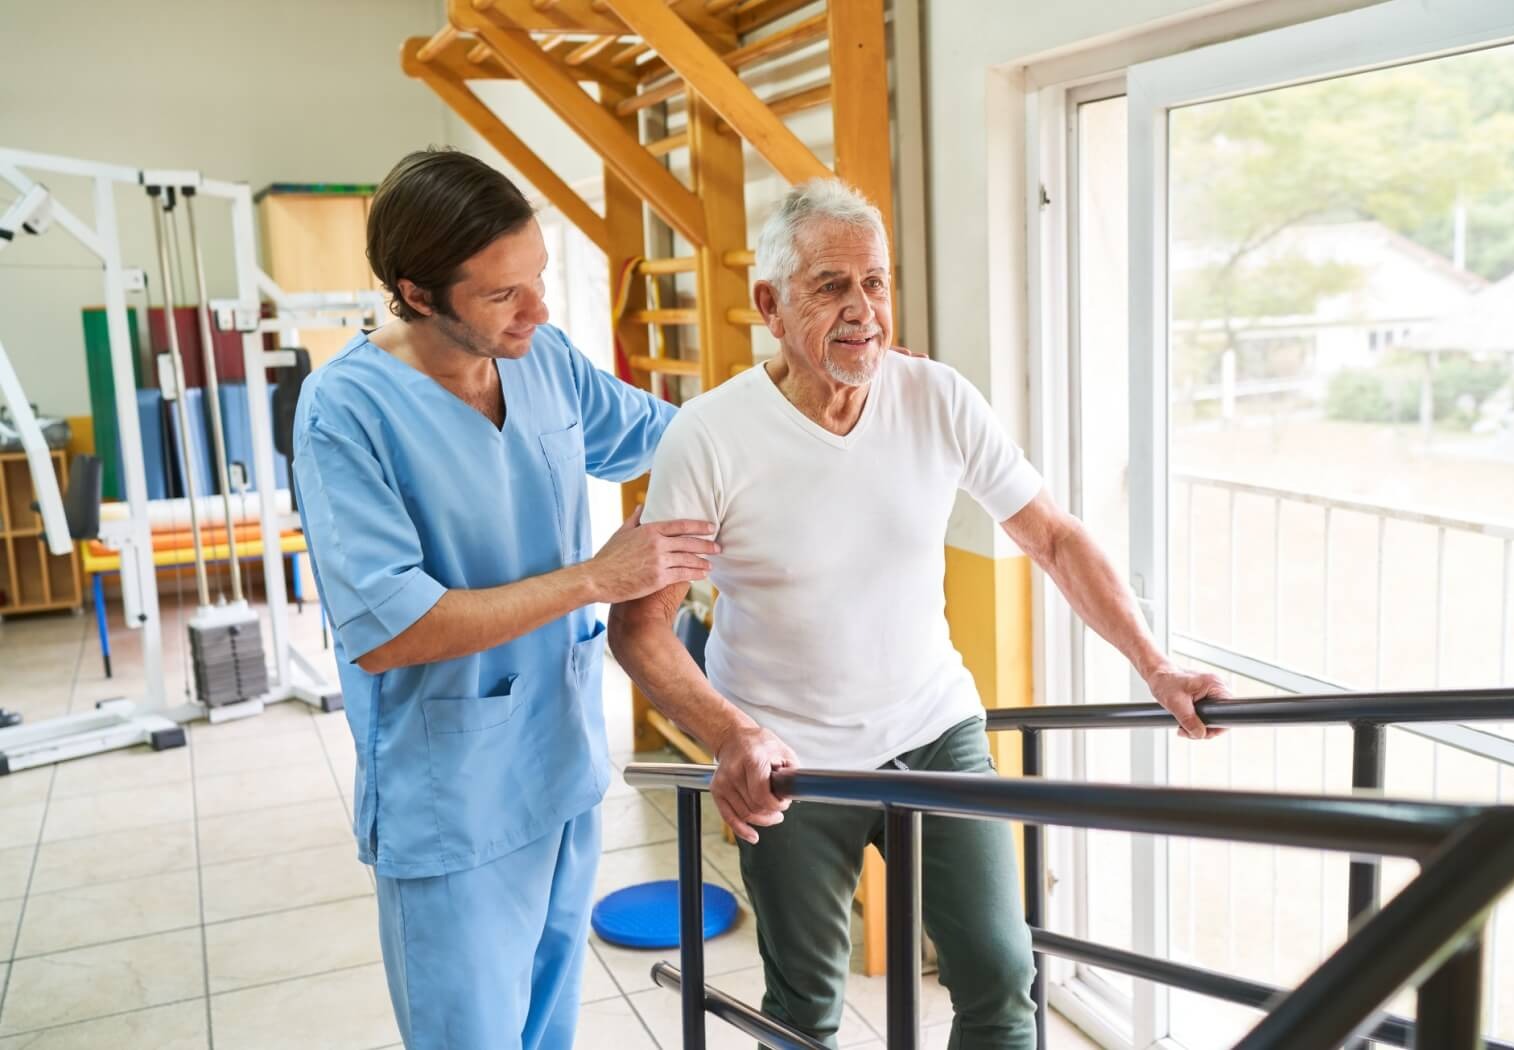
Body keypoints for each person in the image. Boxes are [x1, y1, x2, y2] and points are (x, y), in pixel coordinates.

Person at [607, 178, 1228, 1049]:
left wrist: (1153, 663)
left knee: (1003, 980)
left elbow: (1051, 537)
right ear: (770, 307)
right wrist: (728, 734)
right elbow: (640, 628)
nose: (863, 309)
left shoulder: (936, 398)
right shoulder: (710, 438)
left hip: (934, 729)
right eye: (830, 286)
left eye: (876, 283)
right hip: (787, 756)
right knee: (805, 1014)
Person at [292, 147, 720, 1050]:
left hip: (560, 767)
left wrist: (801, 395)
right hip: (453, 797)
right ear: (416, 293)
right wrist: (599, 579)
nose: (539, 310)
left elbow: (678, 435)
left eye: (539, 279)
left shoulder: (545, 358)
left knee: (548, 1030)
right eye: (503, 296)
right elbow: (390, 628)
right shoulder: (346, 410)